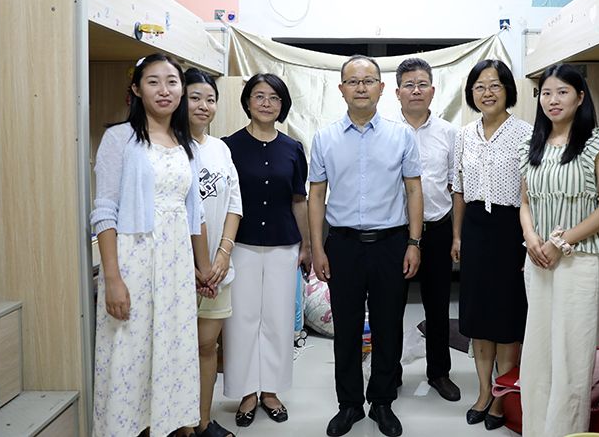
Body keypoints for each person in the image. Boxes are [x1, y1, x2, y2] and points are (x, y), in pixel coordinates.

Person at [91, 54, 212, 437]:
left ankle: (170, 425)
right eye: (153, 81)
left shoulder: (187, 145)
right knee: (130, 349)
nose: (164, 90)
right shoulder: (119, 139)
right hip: (133, 260)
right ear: (136, 89)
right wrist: (113, 278)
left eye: (172, 82)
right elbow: (105, 210)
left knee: (173, 346)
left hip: (175, 264)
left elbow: (194, 214)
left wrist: (201, 267)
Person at [308, 54, 424, 437]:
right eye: (353, 81)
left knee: (389, 326)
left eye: (369, 80)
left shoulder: (401, 136)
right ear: (341, 89)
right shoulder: (324, 138)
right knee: (347, 328)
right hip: (342, 245)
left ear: (381, 88)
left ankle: (382, 401)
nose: (361, 87)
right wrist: (318, 248)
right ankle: (350, 405)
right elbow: (316, 195)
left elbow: (413, 190)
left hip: (392, 244)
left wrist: (414, 242)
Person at [518, 63, 599, 437]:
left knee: (571, 357)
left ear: (580, 97)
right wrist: (531, 236)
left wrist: (560, 243)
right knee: (537, 354)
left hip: (578, 261)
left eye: (562, 92)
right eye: (546, 93)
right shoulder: (532, 146)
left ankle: (565, 432)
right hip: (538, 260)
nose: (553, 100)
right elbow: (525, 202)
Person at [221, 73, 311, 428]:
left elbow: (299, 200)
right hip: (240, 245)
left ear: (282, 105)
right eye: (259, 96)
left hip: (282, 244)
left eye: (274, 98)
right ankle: (246, 393)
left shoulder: (293, 148)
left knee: (277, 319)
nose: (266, 103)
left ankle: (271, 391)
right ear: (247, 101)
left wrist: (306, 244)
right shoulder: (228, 147)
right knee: (241, 321)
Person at [450, 59, 532, 430]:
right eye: (480, 86)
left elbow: (531, 195)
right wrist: (457, 235)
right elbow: (458, 189)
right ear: (471, 93)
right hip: (475, 228)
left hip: (510, 229)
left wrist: (528, 240)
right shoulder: (464, 135)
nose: (487, 92)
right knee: (479, 317)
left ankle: (501, 397)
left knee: (507, 319)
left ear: (507, 90)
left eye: (495, 85)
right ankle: (483, 392)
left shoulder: (526, 133)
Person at [179, 68, 243, 437]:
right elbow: (186, 213)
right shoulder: (171, 147)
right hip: (182, 270)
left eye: (210, 99)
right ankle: (181, 425)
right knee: (180, 350)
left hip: (218, 270)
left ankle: (203, 421)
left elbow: (234, 203)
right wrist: (198, 266)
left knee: (207, 347)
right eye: (195, 98)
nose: (204, 105)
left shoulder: (220, 148)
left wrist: (223, 255)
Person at [394, 58, 460, 402]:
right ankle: (390, 372)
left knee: (437, 306)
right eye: (409, 85)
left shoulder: (449, 133)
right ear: (397, 92)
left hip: (437, 229)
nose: (416, 90)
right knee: (391, 306)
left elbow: (455, 186)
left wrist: (457, 235)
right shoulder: (387, 131)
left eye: (422, 84)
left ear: (432, 91)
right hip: (395, 232)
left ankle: (439, 373)